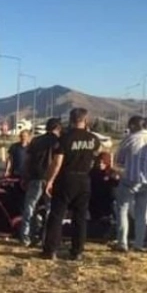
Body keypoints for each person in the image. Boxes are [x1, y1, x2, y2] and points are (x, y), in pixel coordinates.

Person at [43, 108, 100, 261]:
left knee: (57, 215)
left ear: (70, 120)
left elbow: (57, 163)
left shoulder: (65, 139)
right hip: (84, 179)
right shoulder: (93, 139)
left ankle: (51, 250)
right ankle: (77, 251)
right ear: (85, 120)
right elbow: (95, 158)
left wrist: (50, 180)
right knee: (80, 217)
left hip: (66, 178)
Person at [18, 118, 62, 246]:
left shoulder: (36, 141)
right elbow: (58, 162)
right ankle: (46, 237)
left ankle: (26, 237)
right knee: (50, 209)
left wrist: (25, 176)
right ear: (58, 128)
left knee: (30, 208)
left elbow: (27, 160)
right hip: (52, 179)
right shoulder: (58, 142)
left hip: (35, 178)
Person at [114, 116, 147, 252]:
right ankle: (139, 243)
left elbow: (119, 160)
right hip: (146, 182)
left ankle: (122, 242)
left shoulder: (130, 139)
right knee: (142, 213)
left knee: (122, 210)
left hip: (130, 180)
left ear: (133, 126)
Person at [89, 152, 119, 223]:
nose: (100, 164)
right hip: (94, 201)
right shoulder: (92, 173)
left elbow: (116, 187)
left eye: (103, 162)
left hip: (107, 201)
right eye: (99, 162)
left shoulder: (111, 173)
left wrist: (114, 178)